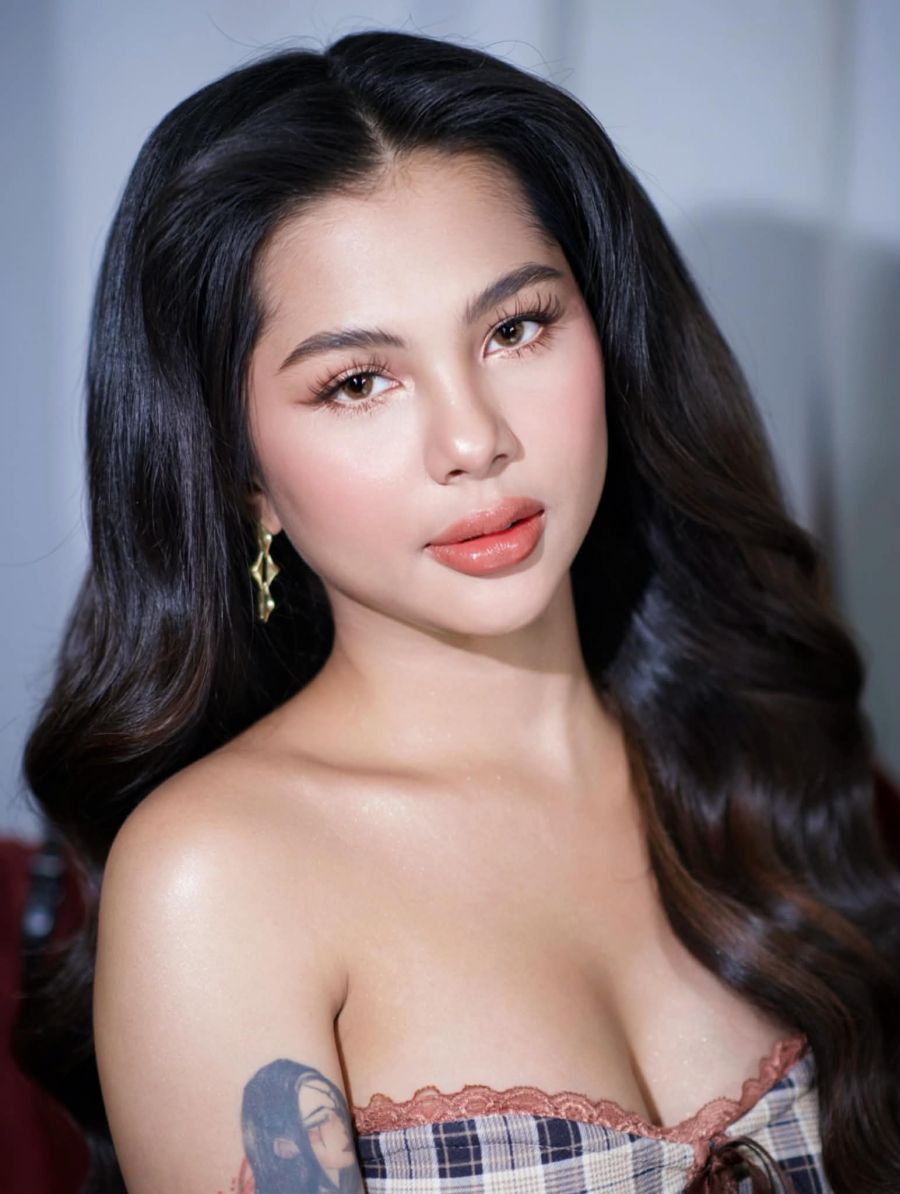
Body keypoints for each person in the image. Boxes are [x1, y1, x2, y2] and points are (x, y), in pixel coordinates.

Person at [14, 28, 899, 1194]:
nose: (474, 439)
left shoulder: (757, 756)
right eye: (358, 382)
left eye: (516, 327)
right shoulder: (216, 876)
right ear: (238, 473)